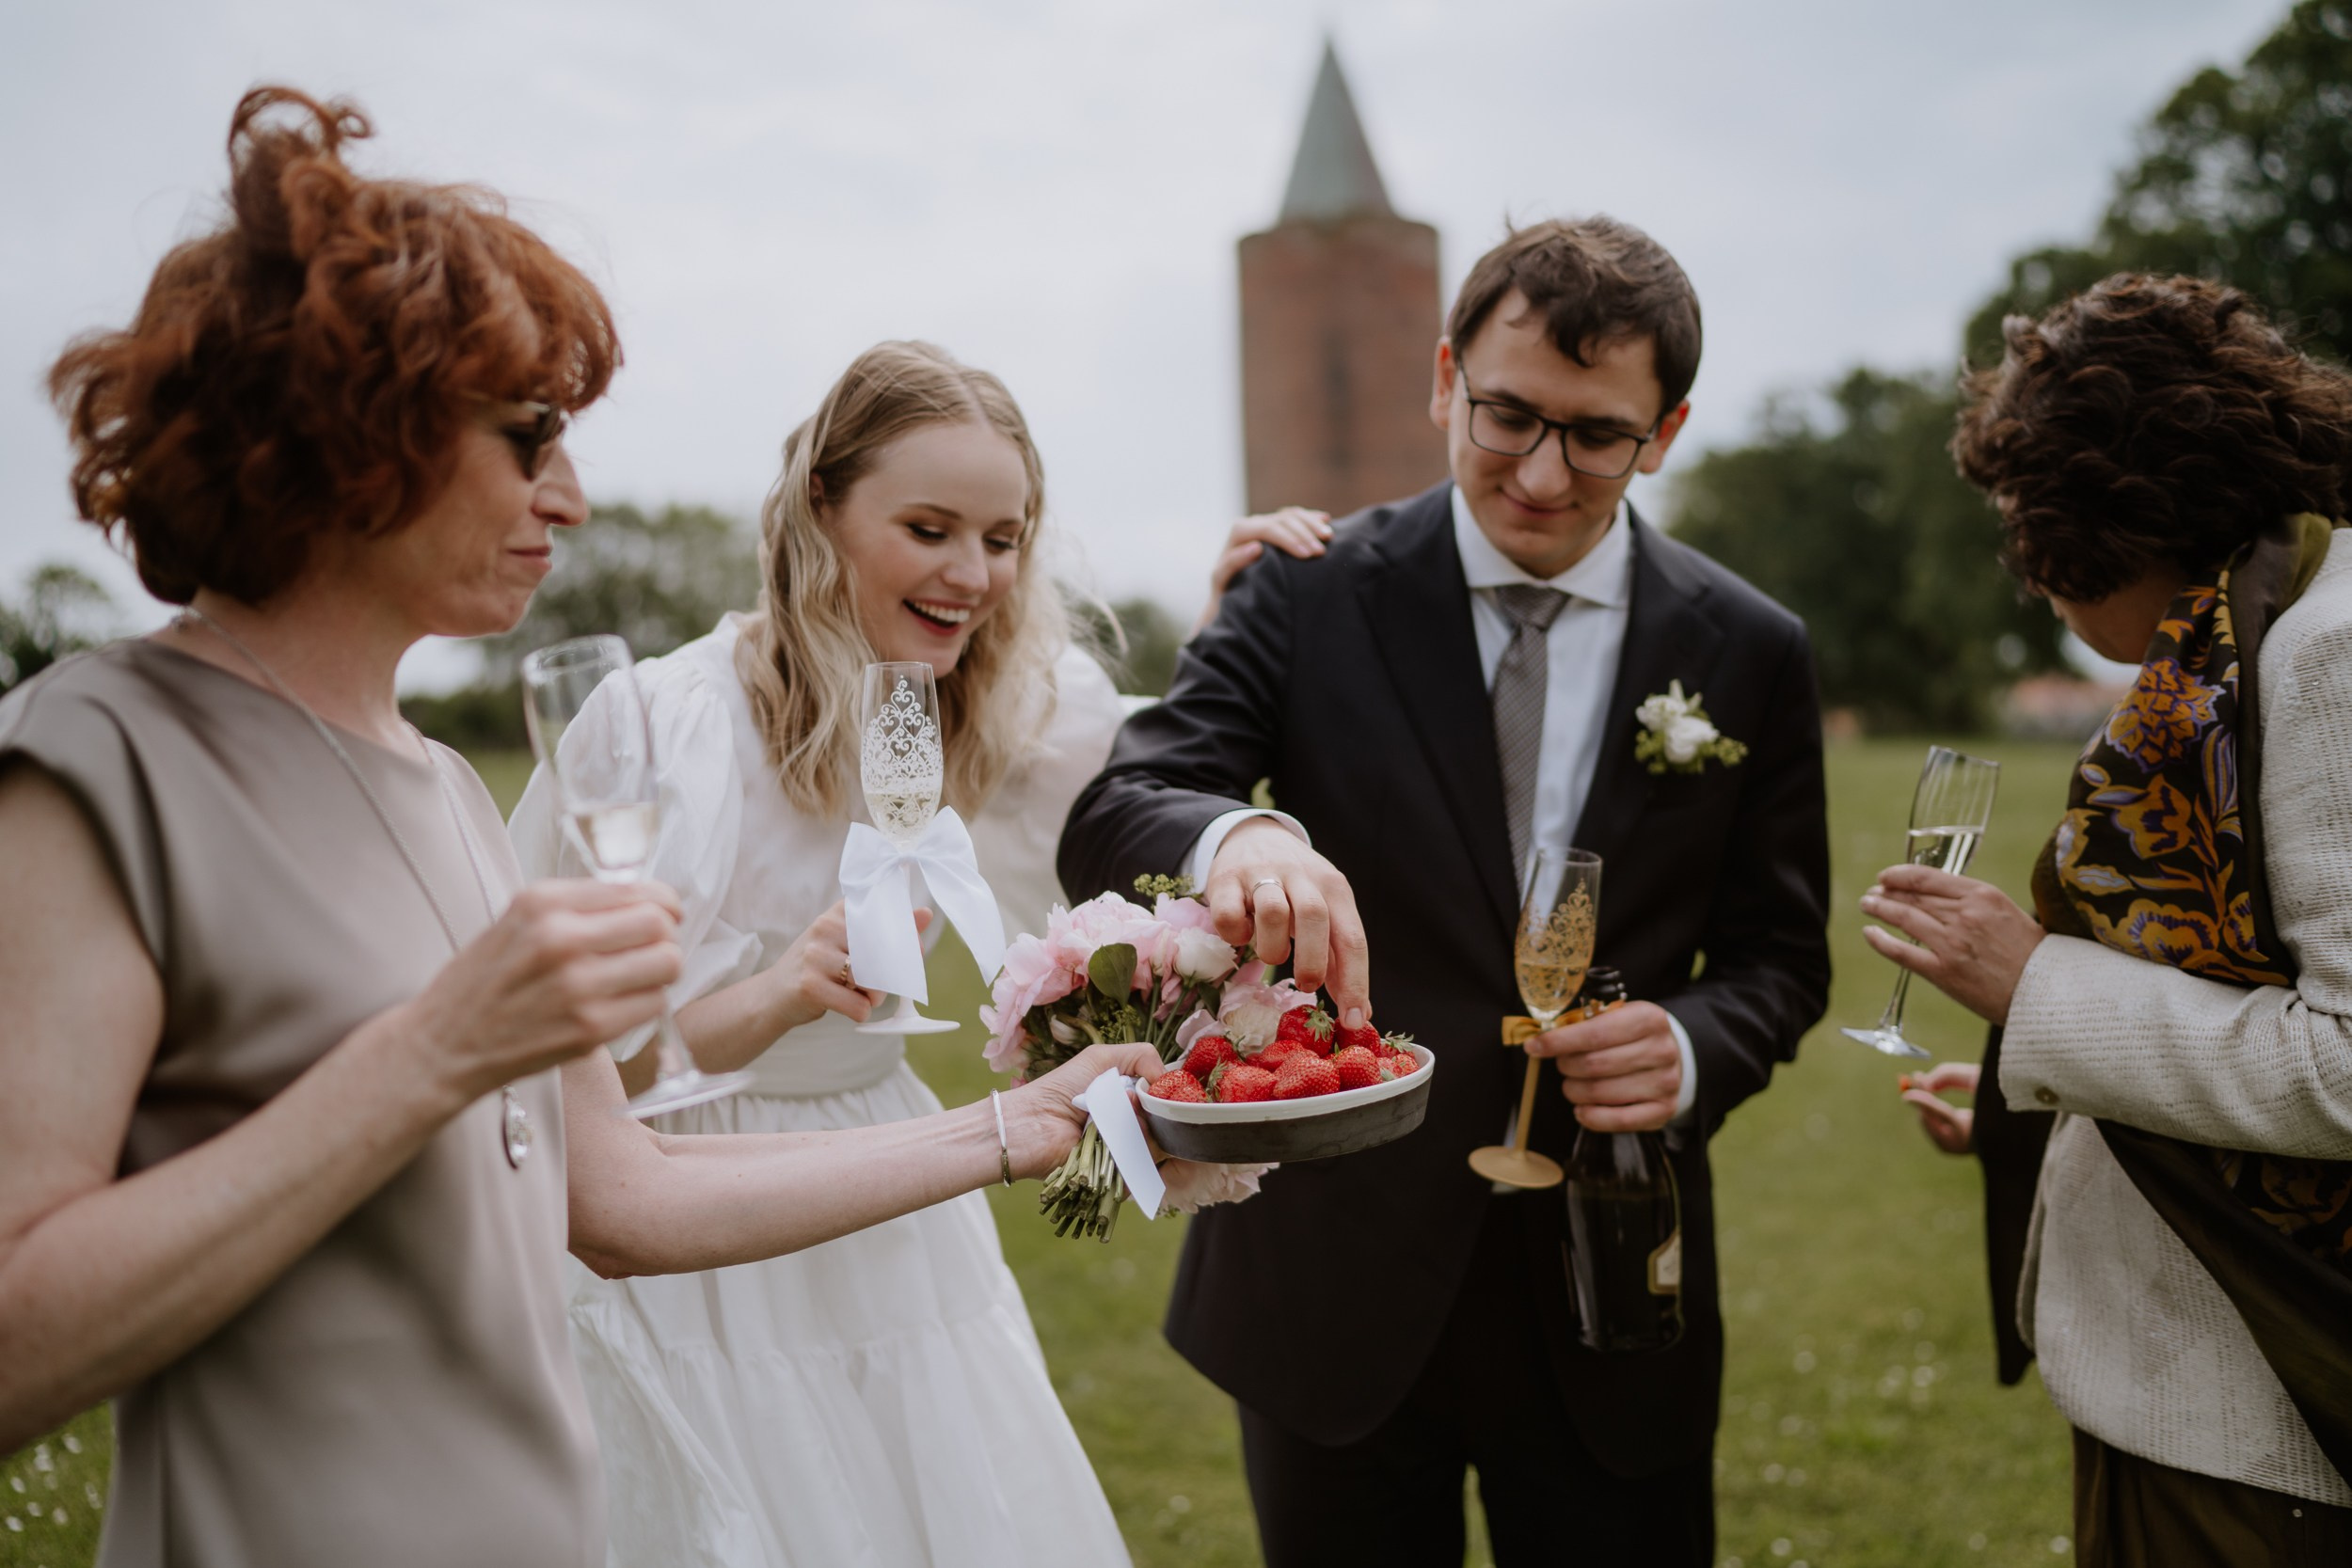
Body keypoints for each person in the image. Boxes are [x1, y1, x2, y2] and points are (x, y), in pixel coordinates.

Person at [0, 87, 1160, 1568]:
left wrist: (1014, 1131)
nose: (576, 495)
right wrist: (437, 1051)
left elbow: (621, 1198)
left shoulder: (444, 793)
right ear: (360, 434)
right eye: (528, 434)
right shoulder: (96, 755)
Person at [1058, 215, 1833, 1566]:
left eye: (1596, 435)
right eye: (1506, 416)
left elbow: (1782, 956)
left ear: (1671, 427)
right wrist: (1241, 846)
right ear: (1441, 380)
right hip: (1333, 1280)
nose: (1540, 472)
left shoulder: (1753, 648)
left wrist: (1694, 1047)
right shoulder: (1302, 592)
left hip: (1609, 1280)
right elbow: (1123, 806)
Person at [509, 340, 1326, 1568]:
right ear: (821, 511)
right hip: (697, 1229)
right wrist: (781, 996)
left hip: (896, 1197)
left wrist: (1232, 622)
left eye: (1003, 539)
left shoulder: (979, 703)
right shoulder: (662, 727)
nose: (974, 574)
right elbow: (553, 1087)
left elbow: (1150, 782)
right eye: (931, 528)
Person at [1866, 273, 2352, 1561]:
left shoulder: (2327, 654)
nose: (2033, 582)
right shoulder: (2255, 631)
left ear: (2107, 516)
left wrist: (2039, 990)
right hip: (2192, 1402)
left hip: (2264, 1427)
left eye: (2028, 530)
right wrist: (2044, 1079)